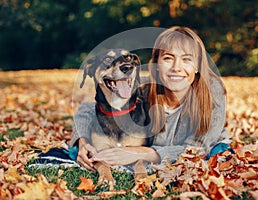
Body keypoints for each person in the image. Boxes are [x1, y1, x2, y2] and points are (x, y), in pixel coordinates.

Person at [69, 26, 231, 171]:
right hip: (158, 153)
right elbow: (87, 109)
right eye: (168, 58)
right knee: (78, 151)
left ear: (197, 66)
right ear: (157, 64)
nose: (176, 68)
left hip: (206, 147)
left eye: (187, 59)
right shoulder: (145, 87)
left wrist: (143, 153)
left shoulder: (212, 91)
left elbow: (198, 149)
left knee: (213, 155)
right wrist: (83, 141)